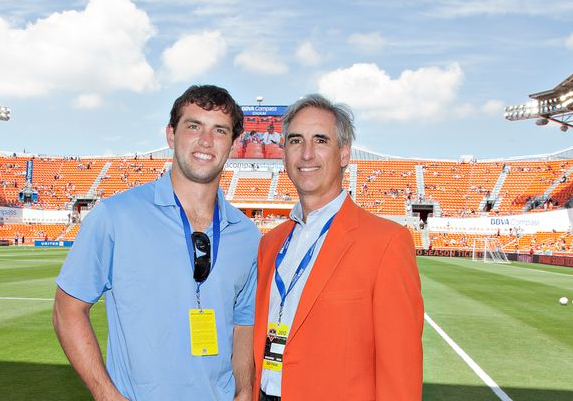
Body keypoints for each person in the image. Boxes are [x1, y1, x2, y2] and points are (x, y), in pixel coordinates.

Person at [53, 85, 260, 401]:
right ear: (171, 135)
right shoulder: (116, 215)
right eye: (194, 126)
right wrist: (106, 395)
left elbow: (243, 324)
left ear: (232, 144)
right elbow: (67, 310)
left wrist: (245, 390)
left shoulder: (246, 235)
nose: (206, 141)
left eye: (219, 130)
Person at [253, 94, 423, 400]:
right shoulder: (270, 243)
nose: (307, 154)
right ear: (284, 153)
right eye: (295, 141)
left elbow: (400, 369)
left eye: (320, 140)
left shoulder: (386, 242)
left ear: (344, 153)